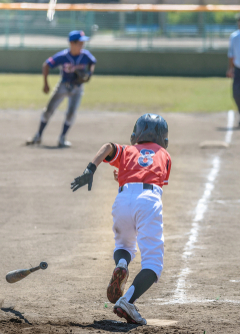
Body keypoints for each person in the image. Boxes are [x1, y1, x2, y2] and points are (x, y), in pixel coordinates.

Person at [70, 114, 171, 325]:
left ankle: (122, 264)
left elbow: (108, 146)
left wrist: (91, 169)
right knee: (153, 262)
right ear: (164, 138)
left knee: (124, 245)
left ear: (136, 134)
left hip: (123, 199)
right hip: (148, 199)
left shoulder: (127, 150)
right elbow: (152, 176)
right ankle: (127, 301)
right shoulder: (164, 155)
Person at [26, 30, 96, 147]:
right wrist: (46, 84)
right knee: (48, 111)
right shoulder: (63, 56)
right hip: (63, 86)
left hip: (78, 88)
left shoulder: (85, 55)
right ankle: (38, 135)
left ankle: (62, 138)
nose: (82, 45)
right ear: (72, 43)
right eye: (79, 43)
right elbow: (46, 65)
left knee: (71, 113)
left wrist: (89, 73)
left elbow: (92, 62)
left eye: (83, 43)